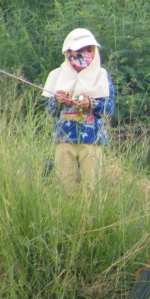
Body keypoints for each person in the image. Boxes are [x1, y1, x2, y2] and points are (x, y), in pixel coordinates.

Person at [42, 28, 115, 190]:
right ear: (69, 52)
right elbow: (49, 111)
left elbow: (109, 109)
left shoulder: (101, 76)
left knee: (92, 188)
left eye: (90, 50)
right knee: (64, 187)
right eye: (80, 50)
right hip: (64, 139)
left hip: (92, 141)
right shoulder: (57, 75)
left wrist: (91, 104)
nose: (86, 54)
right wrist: (57, 99)